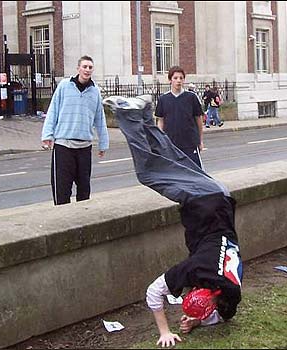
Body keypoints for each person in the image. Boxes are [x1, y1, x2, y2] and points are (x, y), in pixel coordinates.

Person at [104, 95, 243, 348]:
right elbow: (153, 293)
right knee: (148, 173)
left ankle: (145, 112)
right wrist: (165, 331)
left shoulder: (231, 289)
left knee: (170, 158)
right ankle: (126, 113)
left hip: (220, 195)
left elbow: (225, 315)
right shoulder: (196, 269)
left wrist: (197, 319)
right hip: (202, 201)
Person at [41, 55, 109, 205]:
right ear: (78, 68)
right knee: (62, 189)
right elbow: (53, 111)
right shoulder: (65, 86)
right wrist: (47, 134)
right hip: (63, 146)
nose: (87, 70)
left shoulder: (95, 91)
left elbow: (100, 118)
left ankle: (82, 221)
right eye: (84, 66)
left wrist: (104, 143)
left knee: (84, 190)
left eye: (90, 67)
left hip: (84, 147)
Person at [155, 66, 204, 169]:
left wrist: (200, 140)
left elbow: (199, 120)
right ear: (170, 80)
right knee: (174, 172)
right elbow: (160, 121)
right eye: (175, 78)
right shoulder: (163, 99)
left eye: (181, 78)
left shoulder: (191, 97)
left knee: (195, 172)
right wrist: (161, 141)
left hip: (190, 143)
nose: (178, 81)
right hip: (171, 144)